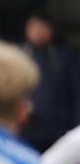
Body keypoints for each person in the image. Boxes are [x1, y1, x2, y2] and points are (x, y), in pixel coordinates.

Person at [20, 12, 80, 152]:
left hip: (58, 133)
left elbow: (77, 95)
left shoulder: (65, 57)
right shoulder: (18, 55)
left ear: (51, 30)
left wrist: (76, 129)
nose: (37, 31)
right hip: (25, 131)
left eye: (42, 27)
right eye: (33, 26)